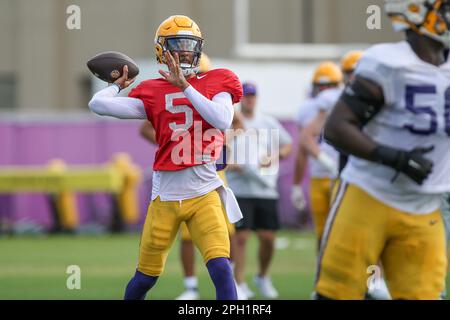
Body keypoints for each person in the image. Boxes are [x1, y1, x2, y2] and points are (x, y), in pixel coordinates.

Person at [88, 15, 243, 300]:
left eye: (189, 44)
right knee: (145, 277)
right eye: (177, 44)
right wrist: (117, 85)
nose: (185, 50)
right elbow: (98, 104)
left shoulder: (219, 79)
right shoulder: (152, 90)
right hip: (167, 196)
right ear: (162, 49)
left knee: (221, 268)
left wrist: (185, 86)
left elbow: (221, 119)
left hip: (205, 191)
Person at [314, 0, 450, 299]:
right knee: (336, 294)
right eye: (445, 8)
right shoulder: (388, 63)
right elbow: (337, 128)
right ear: (418, 12)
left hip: (425, 207)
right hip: (369, 196)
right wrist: (395, 158)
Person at [139, 53, 239, 300]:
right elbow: (144, 125)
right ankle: (191, 285)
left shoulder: (216, 95)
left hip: (209, 179)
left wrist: (228, 146)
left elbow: (232, 124)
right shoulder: (168, 96)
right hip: (176, 182)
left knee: (223, 246)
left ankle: (238, 281)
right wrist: (174, 144)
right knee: (182, 244)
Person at [226, 82, 292, 299]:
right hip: (239, 187)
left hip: (265, 188)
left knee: (268, 237)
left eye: (252, 96)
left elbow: (287, 144)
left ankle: (262, 276)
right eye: (245, 96)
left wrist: (276, 156)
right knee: (241, 238)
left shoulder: (267, 122)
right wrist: (230, 163)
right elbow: (218, 148)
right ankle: (239, 282)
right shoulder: (230, 121)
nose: (249, 99)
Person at [291, 61, 343, 247]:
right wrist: (296, 184)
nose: (325, 91)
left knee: (344, 230)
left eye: (329, 86)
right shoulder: (307, 109)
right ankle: (323, 275)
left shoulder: (346, 104)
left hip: (343, 177)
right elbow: (302, 150)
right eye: (321, 86)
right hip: (319, 176)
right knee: (322, 234)